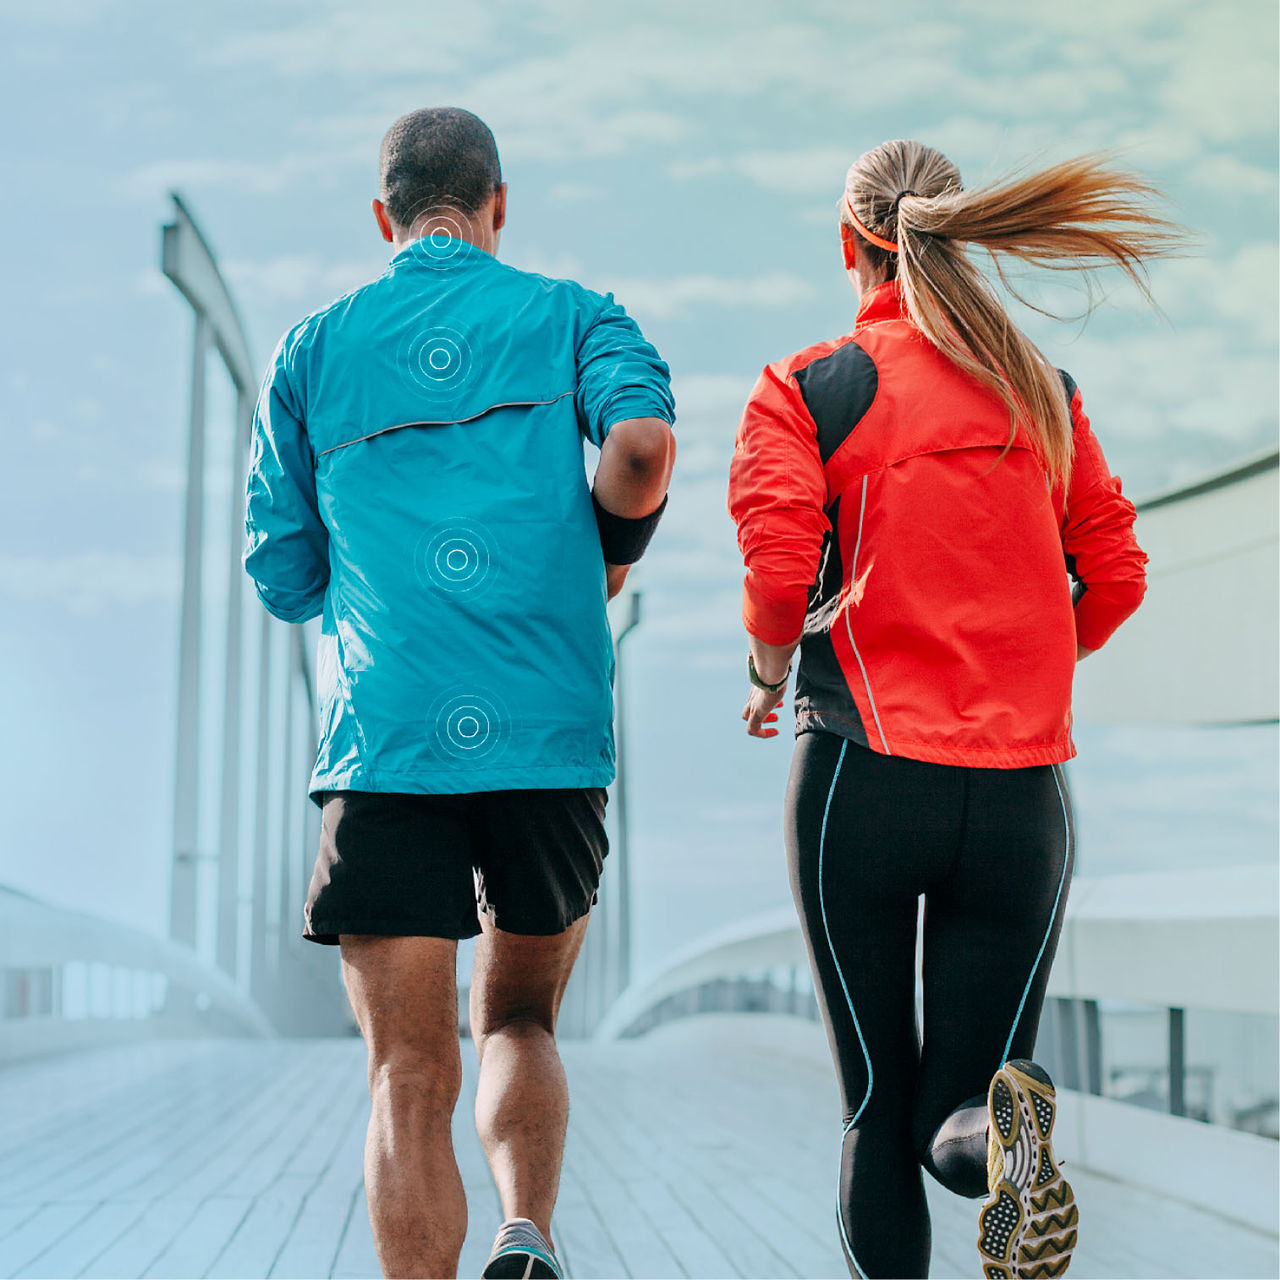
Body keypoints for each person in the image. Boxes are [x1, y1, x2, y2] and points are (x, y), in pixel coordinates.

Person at [728, 139, 1178, 1279]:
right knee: (968, 1095)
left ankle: (975, 1153)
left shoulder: (809, 386)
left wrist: (769, 675)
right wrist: (1023, 664)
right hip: (1021, 798)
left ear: (849, 244)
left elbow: (782, 579)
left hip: (861, 779)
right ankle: (995, 1145)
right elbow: (1115, 574)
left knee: (876, 1107)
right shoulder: (1042, 387)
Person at [244, 107, 675, 1280]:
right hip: (550, 737)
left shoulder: (311, 350)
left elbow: (282, 573)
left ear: (382, 218)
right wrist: (604, 561)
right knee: (520, 1018)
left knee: (403, 1069)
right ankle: (524, 1229)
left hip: (387, 744)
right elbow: (639, 448)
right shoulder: (574, 317)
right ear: (497, 205)